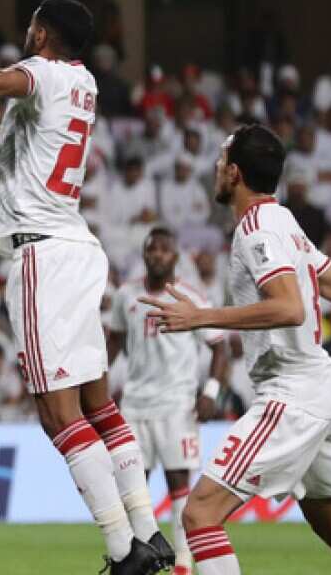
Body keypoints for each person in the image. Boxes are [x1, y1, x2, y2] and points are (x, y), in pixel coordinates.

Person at [0, 0, 173, 574]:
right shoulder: (82, 83)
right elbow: (15, 131)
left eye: (31, 26)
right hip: (78, 248)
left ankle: (121, 549)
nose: (26, 33)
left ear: (42, 35)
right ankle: (149, 534)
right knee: (99, 405)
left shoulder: (40, 72)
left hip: (41, 256)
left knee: (58, 414)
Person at [142, 124, 331, 575]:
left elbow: (289, 307)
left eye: (221, 162)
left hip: (292, 394)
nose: (215, 169)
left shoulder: (257, 230)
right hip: (321, 388)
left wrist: (202, 316)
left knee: (199, 516)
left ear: (235, 173)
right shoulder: (283, 223)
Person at [109, 227, 228, 575]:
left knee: (179, 486)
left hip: (177, 405)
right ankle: (135, 560)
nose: (158, 254)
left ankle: (182, 566)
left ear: (176, 257)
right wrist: (97, 389)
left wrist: (210, 392)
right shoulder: (125, 295)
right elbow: (113, 344)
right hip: (134, 404)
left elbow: (219, 346)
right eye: (152, 249)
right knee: (132, 487)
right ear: (145, 255)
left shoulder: (191, 297)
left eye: (165, 249)